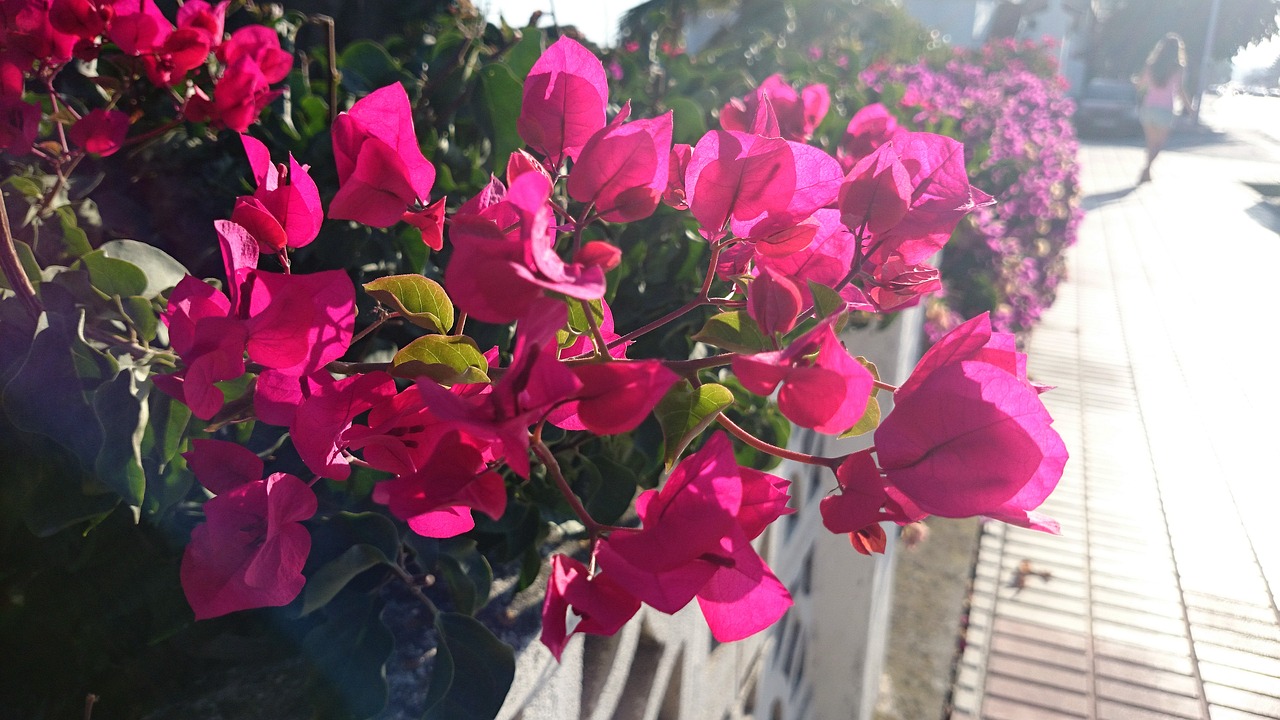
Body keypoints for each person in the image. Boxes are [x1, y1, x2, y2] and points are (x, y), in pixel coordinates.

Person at [1135, 33, 1192, 184]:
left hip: (1148, 108)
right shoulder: (1178, 68)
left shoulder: (1151, 65)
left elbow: (1140, 85)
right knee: (1158, 145)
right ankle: (1146, 170)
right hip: (1165, 111)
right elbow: (1180, 90)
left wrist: (1140, 90)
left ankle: (1147, 173)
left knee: (1150, 144)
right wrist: (1189, 108)